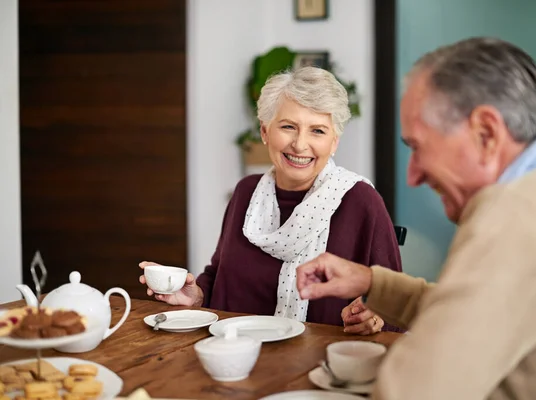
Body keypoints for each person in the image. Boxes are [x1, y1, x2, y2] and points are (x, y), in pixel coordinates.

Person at [296, 37, 536, 399]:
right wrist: (372, 282)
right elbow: (481, 317)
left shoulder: (518, 213)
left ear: (486, 133)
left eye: (419, 148)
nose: (413, 176)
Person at [139, 66, 403, 335]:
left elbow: (395, 304)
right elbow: (220, 275)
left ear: (334, 142)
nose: (300, 145)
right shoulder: (246, 193)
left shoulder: (360, 201)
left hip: (322, 368)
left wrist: (376, 314)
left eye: (318, 131)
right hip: (233, 357)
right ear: (265, 132)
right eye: (288, 127)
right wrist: (194, 296)